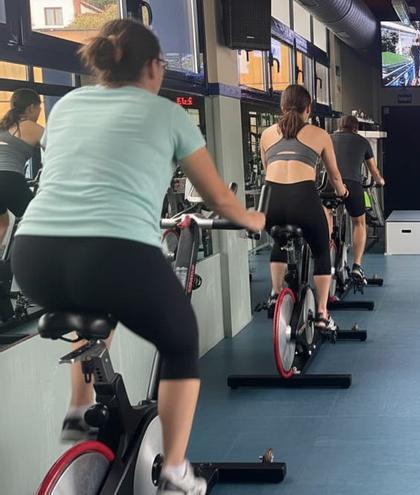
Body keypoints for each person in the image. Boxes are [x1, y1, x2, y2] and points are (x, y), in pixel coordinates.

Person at [12, 19, 264, 495]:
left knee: (94, 311)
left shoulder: (65, 106)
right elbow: (217, 197)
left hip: (35, 256)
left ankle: (79, 411)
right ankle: (174, 469)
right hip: (117, 254)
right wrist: (251, 220)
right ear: (153, 67)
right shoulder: (165, 113)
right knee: (180, 341)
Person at [261, 84, 348, 332]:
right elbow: (334, 175)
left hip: (272, 202)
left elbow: (269, 171)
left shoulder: (267, 134)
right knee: (321, 250)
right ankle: (322, 313)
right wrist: (343, 193)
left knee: (279, 241)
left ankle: (275, 294)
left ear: (282, 107)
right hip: (303, 199)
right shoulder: (319, 135)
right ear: (308, 109)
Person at [330, 115, 385, 282]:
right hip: (352, 184)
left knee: (327, 217)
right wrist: (380, 181)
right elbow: (373, 170)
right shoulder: (362, 142)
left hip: (329, 184)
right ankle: (357, 266)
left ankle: (327, 250)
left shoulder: (329, 138)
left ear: (339, 126)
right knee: (359, 223)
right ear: (356, 128)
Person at [0, 88, 43, 245]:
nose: (39, 113)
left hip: (5, 179)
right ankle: (34, 262)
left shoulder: (3, 125)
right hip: (8, 179)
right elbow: (59, 151)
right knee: (40, 221)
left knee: (2, 223)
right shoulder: (29, 126)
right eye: (39, 108)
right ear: (31, 107)